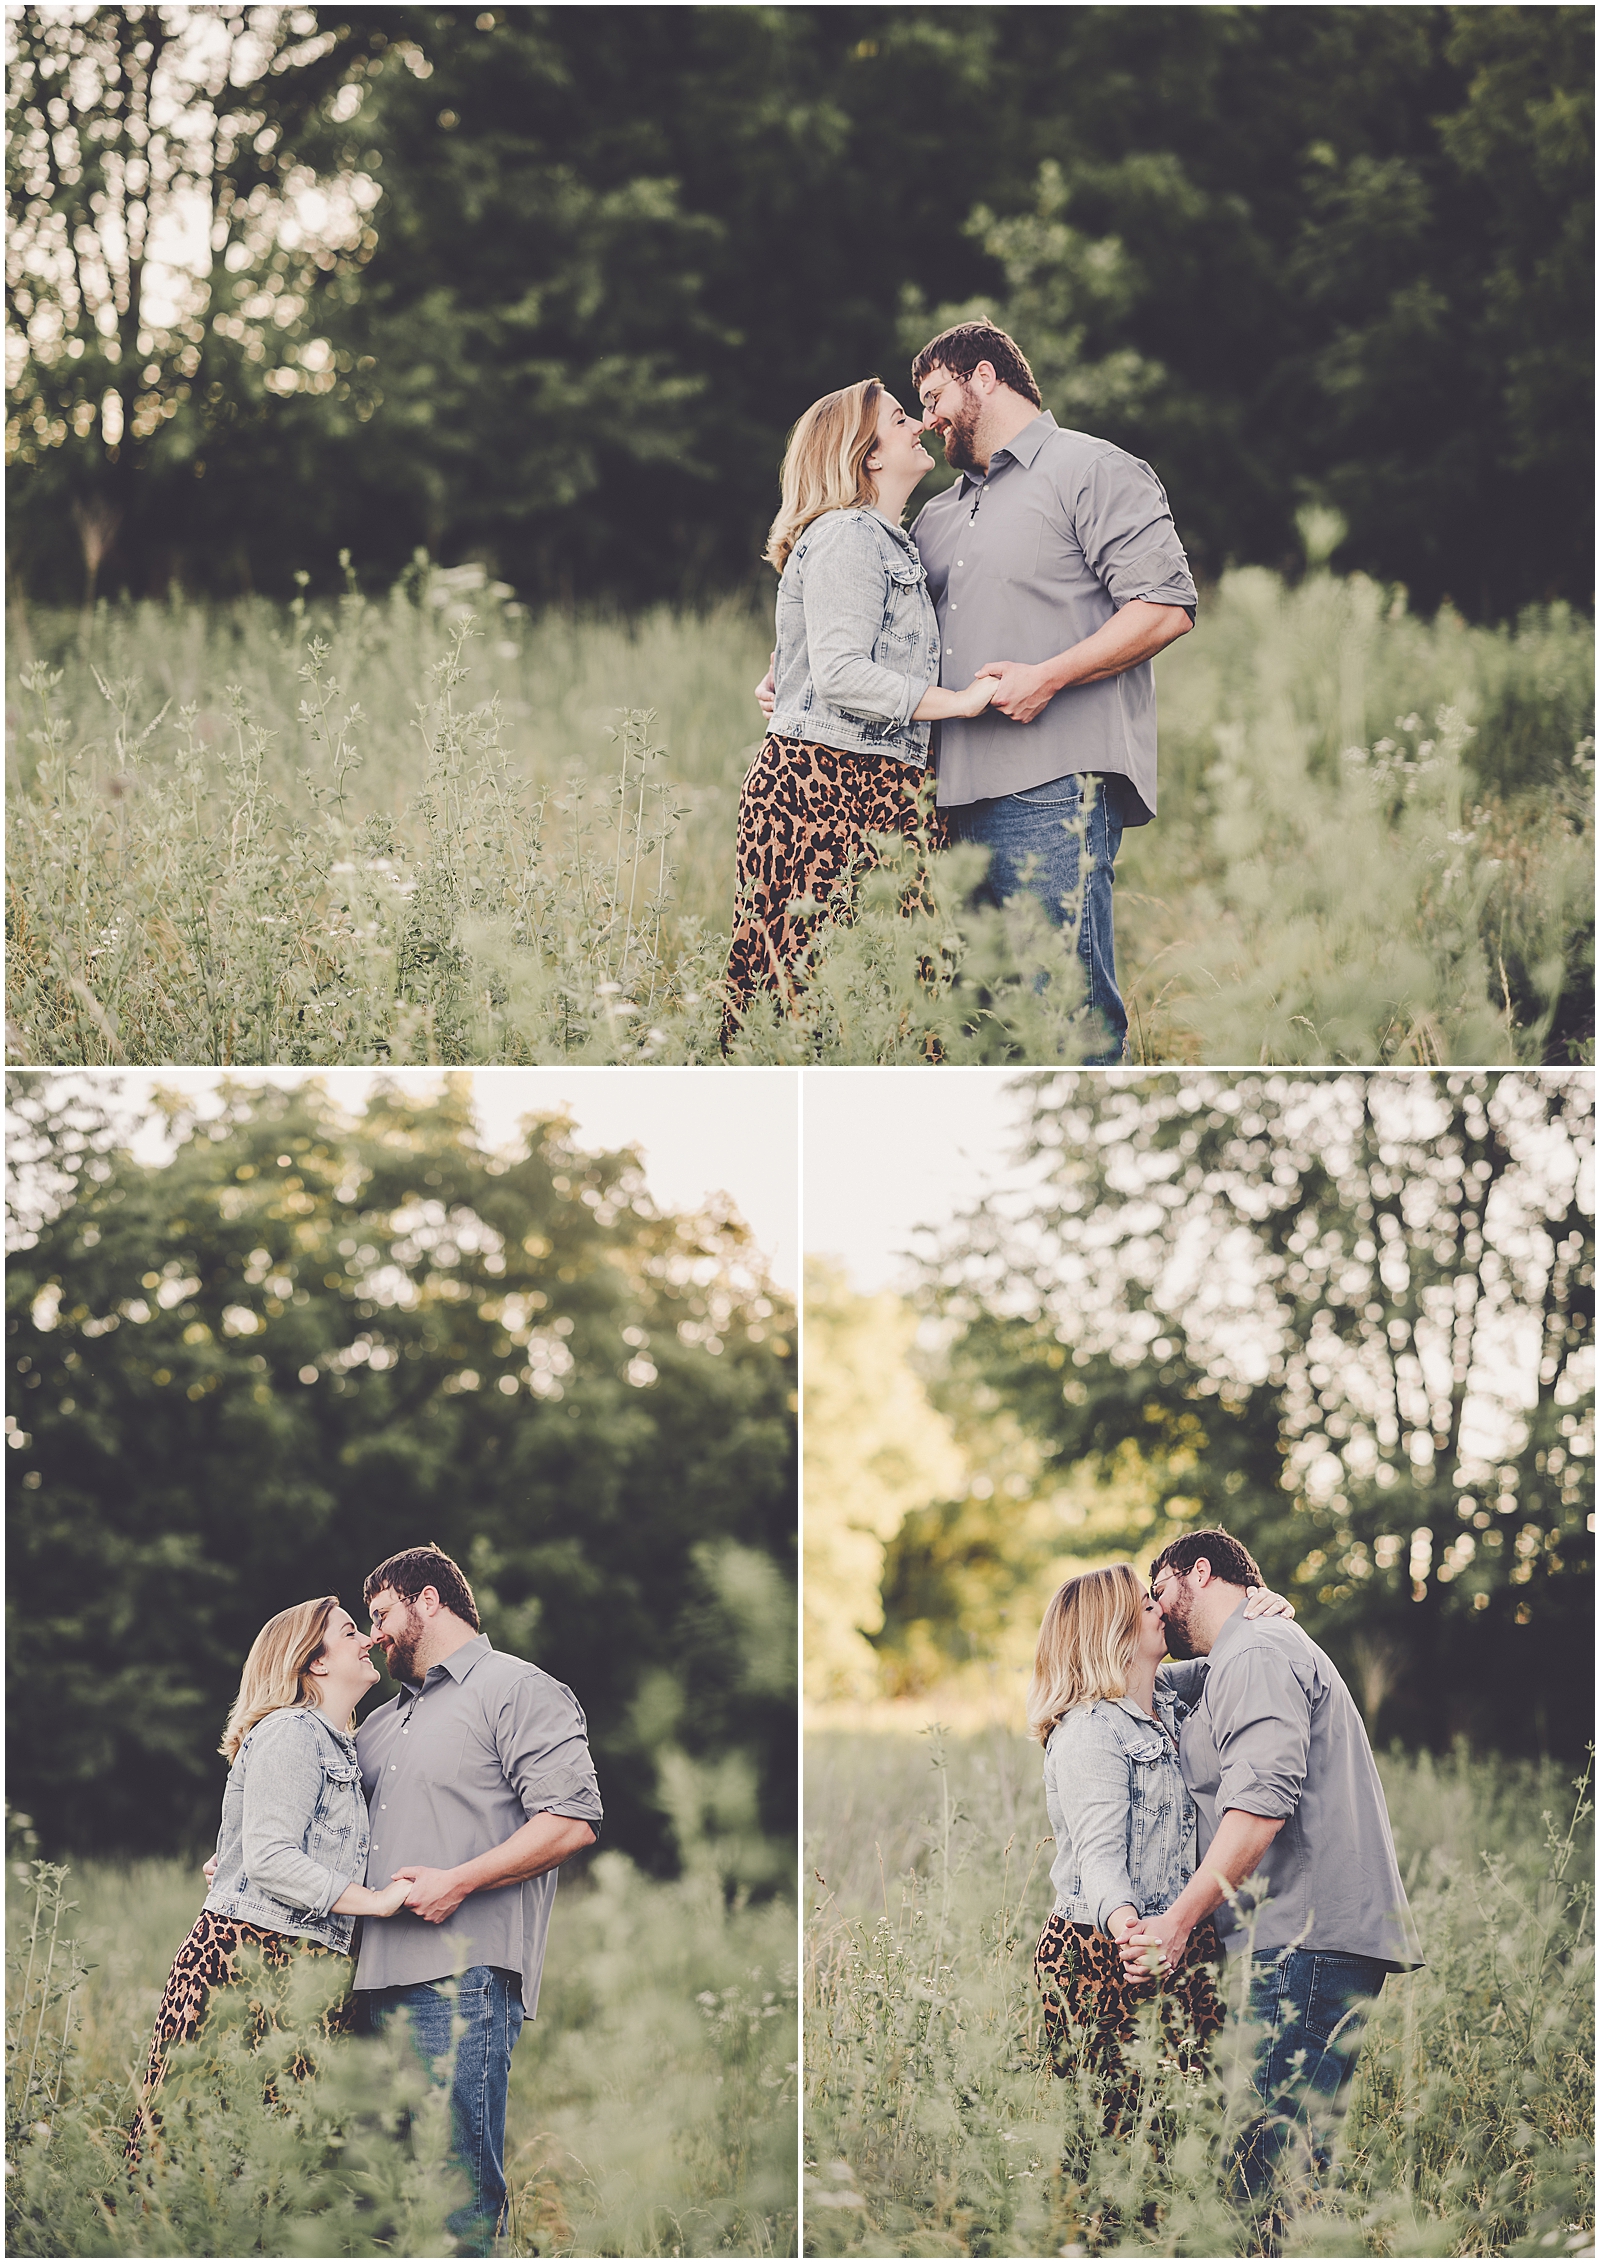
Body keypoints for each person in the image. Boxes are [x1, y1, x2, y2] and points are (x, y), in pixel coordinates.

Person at [910, 320, 1198, 1064]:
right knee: (976, 1034)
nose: (927, 418)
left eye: (935, 394)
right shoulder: (936, 515)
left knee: (1064, 1020)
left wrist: (1049, 676)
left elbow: (1163, 607)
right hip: (941, 804)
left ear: (983, 377)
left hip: (1052, 789)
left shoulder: (1093, 469)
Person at [1121, 1527, 1422, 2227]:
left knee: (1261, 2180)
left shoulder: (1254, 1651)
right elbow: (1138, 1679)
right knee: (1288, 2171)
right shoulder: (1237, 1652)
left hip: (1309, 1940)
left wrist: (1178, 1920)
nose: (1159, 1609)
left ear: (1200, 1571)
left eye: (1160, 1590)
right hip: (1302, 1940)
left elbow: (1259, 1808)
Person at [723, 375, 997, 1042]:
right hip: (827, 790)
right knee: (818, 1006)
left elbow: (827, 657)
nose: (919, 426)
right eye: (901, 418)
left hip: (875, 785)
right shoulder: (850, 534)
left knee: (894, 997)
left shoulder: (882, 537)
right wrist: (958, 704)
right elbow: (843, 674)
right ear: (867, 453)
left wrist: (785, 680)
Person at [353, 1544, 603, 2257]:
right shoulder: (377, 1723)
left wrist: (457, 1879)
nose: (373, 1635)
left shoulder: (519, 1688)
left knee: (456, 2208)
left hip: (460, 1983)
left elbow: (570, 1820)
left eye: (380, 1613)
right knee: (380, 2206)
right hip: (365, 1987)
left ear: (428, 1599)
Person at [131, 1597, 412, 2158]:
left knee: (270, 2164)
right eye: (351, 1631)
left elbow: (259, 1853)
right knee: (195, 2159)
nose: (368, 1640)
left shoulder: (337, 1748)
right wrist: (378, 1903)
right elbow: (270, 1859)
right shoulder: (293, 1732)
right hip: (250, 1965)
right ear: (316, 1661)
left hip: (302, 1967)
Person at [1027, 1564, 1295, 2134]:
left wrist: (1258, 1605)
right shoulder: (1089, 1731)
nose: (1162, 1610)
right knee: (1117, 2140)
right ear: (1112, 1631)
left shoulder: (1169, 1701)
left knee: (1185, 2130)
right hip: (1110, 1949)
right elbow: (1099, 1859)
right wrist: (1135, 1935)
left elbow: (1233, 1651)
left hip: (1182, 1939)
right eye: (1147, 1605)